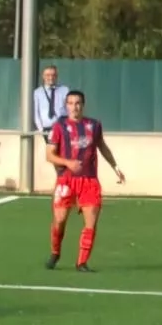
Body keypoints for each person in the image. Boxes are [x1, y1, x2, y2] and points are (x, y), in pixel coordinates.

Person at [45, 90, 126, 272]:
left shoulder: (94, 125)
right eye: (71, 103)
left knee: (91, 222)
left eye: (78, 103)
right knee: (59, 220)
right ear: (66, 106)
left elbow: (102, 146)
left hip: (89, 181)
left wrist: (115, 167)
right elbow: (49, 155)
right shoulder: (58, 126)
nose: (74, 107)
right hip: (66, 180)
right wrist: (68, 163)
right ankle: (55, 252)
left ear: (83, 105)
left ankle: (81, 262)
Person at [31, 65, 71, 135]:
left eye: (53, 75)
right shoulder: (37, 92)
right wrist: (41, 129)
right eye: (48, 75)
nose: (51, 78)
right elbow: (36, 113)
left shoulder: (65, 90)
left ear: (57, 76)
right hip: (46, 129)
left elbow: (70, 109)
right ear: (43, 76)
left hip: (62, 127)